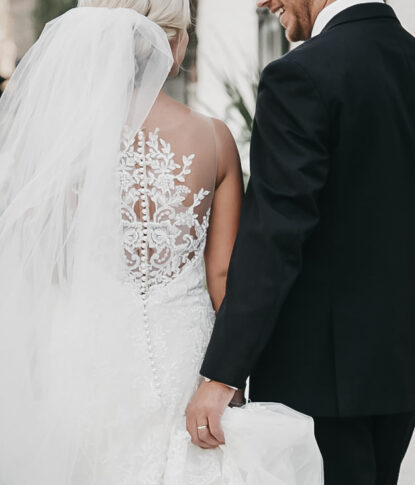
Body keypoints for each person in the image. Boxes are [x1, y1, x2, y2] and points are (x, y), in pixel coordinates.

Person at [0, 1, 323, 484]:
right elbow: (222, 273)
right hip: (187, 353)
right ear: (172, 46)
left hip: (88, 351)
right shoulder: (214, 138)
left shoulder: (65, 144)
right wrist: (230, 375)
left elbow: (46, 263)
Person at [189, 1, 415, 484]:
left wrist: (223, 373)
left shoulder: (299, 76)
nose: (263, 2)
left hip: (315, 375)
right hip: (401, 367)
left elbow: (274, 234)